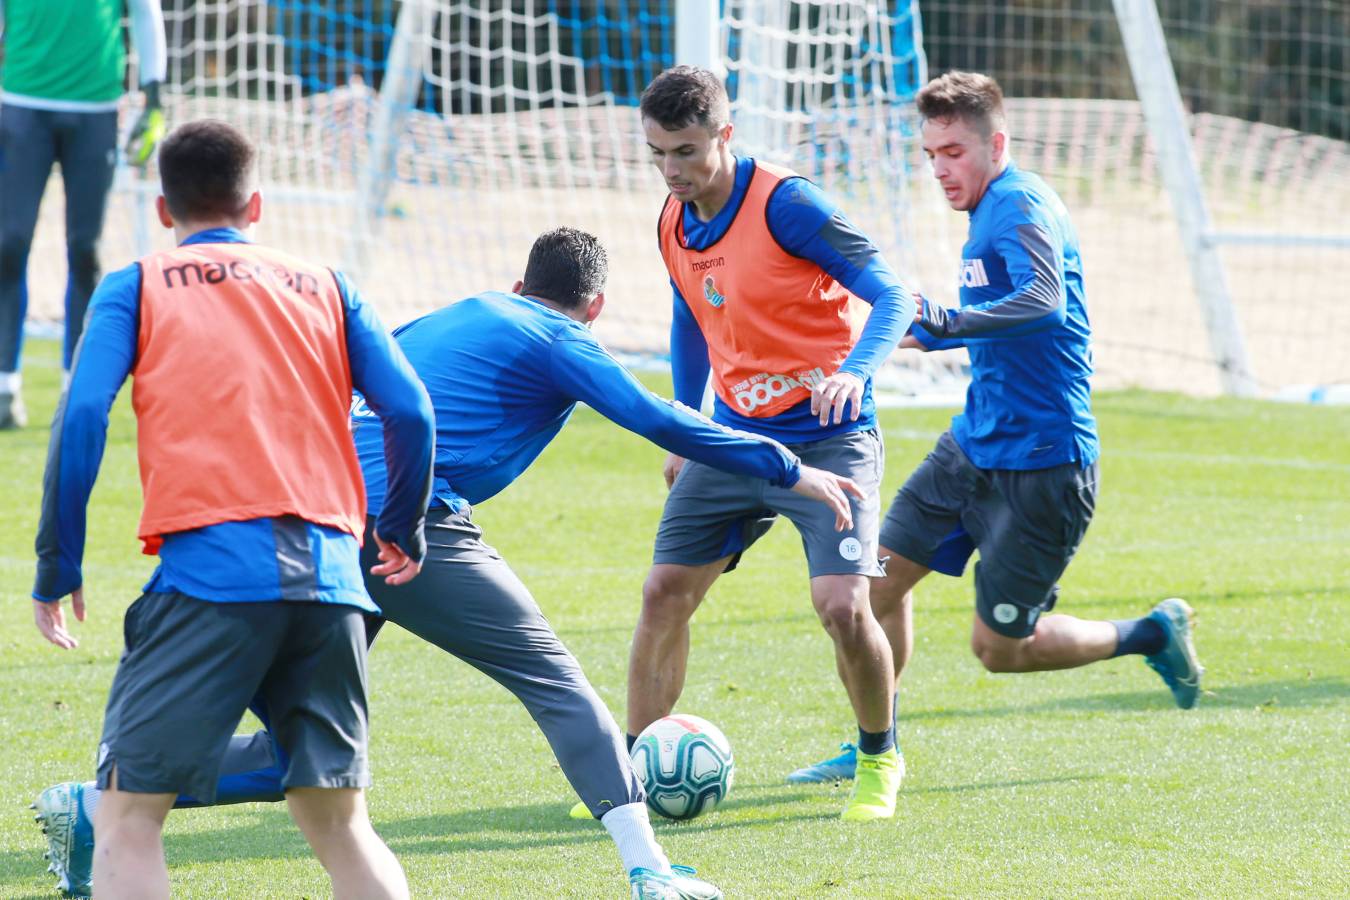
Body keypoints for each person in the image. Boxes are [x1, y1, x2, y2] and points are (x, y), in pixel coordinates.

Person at [35, 226, 863, 899]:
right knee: (557, 683)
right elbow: (661, 419)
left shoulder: (452, 315)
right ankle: (651, 870)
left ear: (519, 279)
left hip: (314, 524)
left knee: (304, 750)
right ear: (596, 307)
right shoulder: (559, 336)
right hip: (407, 527)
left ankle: (99, 805)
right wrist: (788, 467)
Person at [30, 120, 436, 900]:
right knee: (340, 824)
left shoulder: (138, 284)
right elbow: (412, 411)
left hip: (211, 580)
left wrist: (58, 563)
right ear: (256, 206)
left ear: (162, 209)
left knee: (127, 819)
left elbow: (81, 416)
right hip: (331, 583)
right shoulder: (329, 284)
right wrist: (402, 527)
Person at [789, 70, 1206, 786]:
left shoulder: (1018, 205)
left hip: (1044, 465)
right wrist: (934, 332)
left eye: (953, 151)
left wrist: (949, 321)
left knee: (1001, 649)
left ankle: (1149, 634)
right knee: (872, 586)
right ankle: (875, 745)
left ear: (997, 145)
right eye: (931, 154)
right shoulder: (986, 212)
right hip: (971, 447)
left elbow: (1043, 300)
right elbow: (1003, 317)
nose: (940, 169)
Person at [627, 66, 918, 822]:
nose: (671, 171)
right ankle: (629, 779)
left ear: (725, 134)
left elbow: (895, 295)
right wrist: (685, 426)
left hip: (830, 439)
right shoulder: (672, 220)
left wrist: (855, 372)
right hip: (734, 439)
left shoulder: (789, 205)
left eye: (686, 152)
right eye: (657, 153)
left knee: (843, 606)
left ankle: (879, 758)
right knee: (663, 593)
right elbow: (691, 316)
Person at [0, 0, 168, 429]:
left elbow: (146, 11)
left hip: (95, 110)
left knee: (85, 250)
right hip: (20, 105)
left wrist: (154, 93)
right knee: (9, 244)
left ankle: (74, 384)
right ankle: (5, 385)